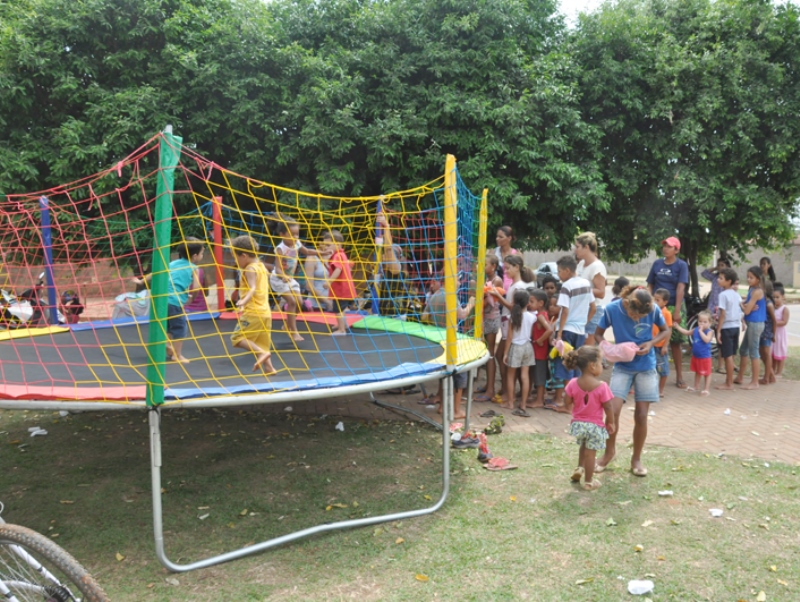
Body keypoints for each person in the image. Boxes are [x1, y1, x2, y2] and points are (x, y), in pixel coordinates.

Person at [594, 286, 669, 477]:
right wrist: (610, 348)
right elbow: (598, 333)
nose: (637, 319)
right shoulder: (612, 310)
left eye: (640, 316)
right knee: (613, 410)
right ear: (626, 303)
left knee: (642, 415)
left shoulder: (653, 309)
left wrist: (651, 343)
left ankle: (636, 459)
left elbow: (665, 331)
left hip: (646, 366)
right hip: (622, 367)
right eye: (634, 315)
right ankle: (608, 453)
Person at [132, 237, 204, 363]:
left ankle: (166, 345)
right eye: (202, 253)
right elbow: (197, 287)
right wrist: (192, 297)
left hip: (160, 299)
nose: (202, 256)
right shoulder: (194, 268)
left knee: (169, 326)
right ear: (195, 256)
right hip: (174, 301)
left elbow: (156, 273)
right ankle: (177, 355)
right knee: (180, 327)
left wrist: (141, 281)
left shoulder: (172, 263)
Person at [420, 275, 476, 420]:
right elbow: (462, 314)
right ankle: (455, 410)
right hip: (451, 339)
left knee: (445, 373)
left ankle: (442, 406)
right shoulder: (450, 296)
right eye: (457, 279)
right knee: (459, 373)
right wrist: (471, 303)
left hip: (438, 338)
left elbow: (424, 316)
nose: (459, 282)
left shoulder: (435, 295)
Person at [563, 346, 615, 491]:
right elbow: (608, 407)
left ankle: (580, 468)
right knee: (591, 453)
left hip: (578, 424)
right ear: (592, 366)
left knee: (583, 446)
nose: (601, 367)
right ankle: (589, 482)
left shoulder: (573, 383)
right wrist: (610, 422)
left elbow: (566, 402)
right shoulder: (602, 386)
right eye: (600, 363)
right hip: (594, 426)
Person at [548, 255, 596, 412]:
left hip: (567, 330)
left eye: (560, 271)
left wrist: (559, 333)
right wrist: (584, 323)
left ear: (568, 270)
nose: (559, 274)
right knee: (576, 366)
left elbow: (565, 310)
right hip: (580, 331)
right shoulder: (586, 283)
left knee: (565, 366)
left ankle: (564, 402)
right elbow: (593, 307)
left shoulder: (567, 286)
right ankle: (574, 401)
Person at [646, 236, 689, 389]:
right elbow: (650, 284)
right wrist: (648, 302)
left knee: (676, 342)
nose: (665, 248)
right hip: (656, 306)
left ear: (676, 250)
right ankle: (650, 375)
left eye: (669, 246)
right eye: (664, 245)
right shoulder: (657, 264)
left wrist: (677, 310)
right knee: (653, 339)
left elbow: (680, 288)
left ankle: (679, 376)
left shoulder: (681, 265)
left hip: (673, 306)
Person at [229, 235, 275, 374]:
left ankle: (261, 353)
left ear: (244, 255)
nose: (236, 261)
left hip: (253, 312)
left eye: (236, 257)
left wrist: (243, 301)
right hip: (265, 312)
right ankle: (269, 368)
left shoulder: (249, 268)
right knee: (262, 341)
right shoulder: (261, 266)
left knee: (237, 338)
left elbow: (253, 288)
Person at [270, 218, 320, 342]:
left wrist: (321, 253)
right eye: (292, 234)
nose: (295, 237)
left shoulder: (297, 243)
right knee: (292, 301)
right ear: (282, 234)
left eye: (297, 234)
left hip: (290, 279)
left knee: (299, 302)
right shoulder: (280, 249)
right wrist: (283, 276)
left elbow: (307, 251)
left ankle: (287, 325)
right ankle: (293, 331)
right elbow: (277, 268)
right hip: (278, 279)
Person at [488, 255, 529, 403]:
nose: (506, 271)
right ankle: (506, 389)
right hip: (507, 325)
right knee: (502, 357)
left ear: (517, 267)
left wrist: (498, 296)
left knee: (503, 358)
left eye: (508, 268)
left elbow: (513, 307)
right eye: (505, 268)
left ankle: (507, 391)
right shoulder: (514, 285)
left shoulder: (518, 286)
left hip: (510, 326)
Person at [500, 290, 536, 416]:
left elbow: (509, 338)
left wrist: (505, 353)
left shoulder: (512, 318)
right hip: (527, 347)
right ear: (527, 303)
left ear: (514, 302)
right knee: (525, 376)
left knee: (511, 376)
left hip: (515, 347)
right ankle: (523, 403)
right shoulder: (533, 317)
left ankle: (510, 402)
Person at [475, 254, 504, 402]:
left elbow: (489, 299)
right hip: (485, 319)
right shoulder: (486, 278)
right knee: (486, 352)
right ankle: (488, 385)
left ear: (493, 266)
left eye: (485, 264)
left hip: (491, 319)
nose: (482, 267)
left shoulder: (496, 280)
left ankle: (491, 390)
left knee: (490, 353)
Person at [734, 266, 766, 390]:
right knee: (743, 350)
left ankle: (754, 381)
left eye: (751, 277)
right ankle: (740, 377)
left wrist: (743, 306)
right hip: (752, 323)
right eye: (747, 277)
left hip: (755, 324)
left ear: (758, 279)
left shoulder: (757, 291)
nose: (748, 279)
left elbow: (746, 310)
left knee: (753, 352)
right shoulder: (752, 289)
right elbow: (747, 306)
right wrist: (744, 305)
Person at [575, 232, 607, 344]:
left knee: (587, 351)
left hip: (592, 310)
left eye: (577, 247)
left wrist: (579, 290)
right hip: (580, 309)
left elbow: (601, 292)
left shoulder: (597, 266)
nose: (575, 250)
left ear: (586, 247)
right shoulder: (581, 264)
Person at [323, 230, 357, 335]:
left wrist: (329, 281)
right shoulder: (341, 254)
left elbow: (338, 269)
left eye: (328, 245)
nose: (326, 247)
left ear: (337, 244)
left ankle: (342, 330)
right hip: (343, 288)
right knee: (339, 307)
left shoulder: (337, 256)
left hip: (341, 288)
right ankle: (341, 324)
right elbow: (332, 268)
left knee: (338, 309)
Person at [673, 310, 714, 395]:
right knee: (697, 371)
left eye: (705, 322)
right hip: (696, 356)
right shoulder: (695, 329)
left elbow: (706, 340)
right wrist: (678, 327)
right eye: (700, 321)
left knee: (707, 373)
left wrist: (701, 332)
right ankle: (696, 386)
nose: (702, 323)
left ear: (710, 323)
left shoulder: (709, 331)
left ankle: (706, 389)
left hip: (705, 356)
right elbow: (687, 332)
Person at [714, 267, 742, 391]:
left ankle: (729, 383)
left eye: (721, 278)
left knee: (727, 355)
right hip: (736, 326)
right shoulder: (736, 295)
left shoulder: (723, 295)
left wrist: (718, 330)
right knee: (731, 354)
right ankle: (728, 381)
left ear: (729, 281)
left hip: (727, 327)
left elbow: (722, 314)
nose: (718, 280)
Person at [529, 289, 553, 408]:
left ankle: (539, 400)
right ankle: (540, 397)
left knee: (539, 376)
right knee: (539, 374)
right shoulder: (544, 314)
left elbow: (549, 330)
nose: (529, 304)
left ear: (541, 303)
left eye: (532, 301)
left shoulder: (540, 316)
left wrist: (539, 340)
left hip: (539, 352)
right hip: (540, 352)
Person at [652, 289, 673, 397]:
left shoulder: (666, 314)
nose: (655, 302)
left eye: (658, 300)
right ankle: (652, 389)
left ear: (665, 302)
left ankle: (660, 390)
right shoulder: (651, 311)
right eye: (654, 299)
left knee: (663, 370)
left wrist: (665, 346)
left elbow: (668, 330)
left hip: (660, 347)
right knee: (651, 369)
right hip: (651, 346)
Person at [303, 242, 333, 312]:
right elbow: (309, 286)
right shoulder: (312, 258)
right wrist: (327, 302)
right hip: (315, 306)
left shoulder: (333, 258)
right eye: (326, 244)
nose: (328, 247)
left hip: (332, 305)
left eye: (329, 245)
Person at [758, 281, 777, 385]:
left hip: (767, 332)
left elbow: (774, 321)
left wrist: (774, 334)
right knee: (761, 353)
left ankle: (766, 378)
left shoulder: (769, 304)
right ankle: (771, 375)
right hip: (761, 331)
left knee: (766, 353)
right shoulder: (762, 301)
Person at [493, 226, 519, 290]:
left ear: (509, 238)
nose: (497, 239)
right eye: (497, 236)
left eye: (501, 237)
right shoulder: (493, 252)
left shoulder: (516, 254)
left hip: (510, 288)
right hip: (496, 288)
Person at [771, 283, 789, 379]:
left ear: (783, 297)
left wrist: (774, 323)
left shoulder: (784, 309)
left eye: (777, 297)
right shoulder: (772, 308)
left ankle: (779, 372)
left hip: (780, 335)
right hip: (773, 334)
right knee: (773, 353)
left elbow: (784, 322)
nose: (775, 299)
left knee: (780, 353)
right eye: (774, 297)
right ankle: (772, 370)